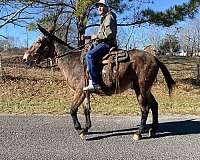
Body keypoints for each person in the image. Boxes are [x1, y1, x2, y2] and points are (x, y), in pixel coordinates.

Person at [83, 0, 117, 91]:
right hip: (102, 42)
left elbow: (110, 34)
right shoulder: (103, 18)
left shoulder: (109, 16)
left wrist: (96, 36)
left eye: (101, 6)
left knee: (89, 56)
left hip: (107, 44)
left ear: (106, 7)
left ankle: (95, 83)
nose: (99, 8)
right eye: (98, 7)